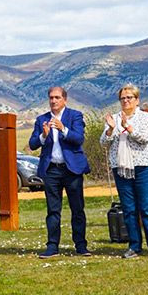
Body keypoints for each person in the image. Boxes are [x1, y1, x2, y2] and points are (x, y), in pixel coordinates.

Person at [29, 87, 91, 258]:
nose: (53, 101)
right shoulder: (42, 119)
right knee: (53, 210)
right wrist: (43, 135)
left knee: (77, 209)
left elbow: (79, 139)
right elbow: (33, 143)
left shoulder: (75, 116)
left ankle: (80, 245)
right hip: (52, 170)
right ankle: (52, 246)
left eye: (57, 97)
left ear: (64, 99)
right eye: (51, 98)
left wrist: (64, 129)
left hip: (71, 169)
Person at [101, 84, 148, 257]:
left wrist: (128, 127)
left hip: (144, 166)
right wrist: (111, 128)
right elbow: (104, 143)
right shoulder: (114, 118)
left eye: (129, 97)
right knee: (129, 208)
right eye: (123, 98)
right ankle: (134, 245)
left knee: (147, 207)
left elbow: (144, 138)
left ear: (137, 100)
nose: (126, 101)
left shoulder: (145, 117)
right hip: (121, 168)